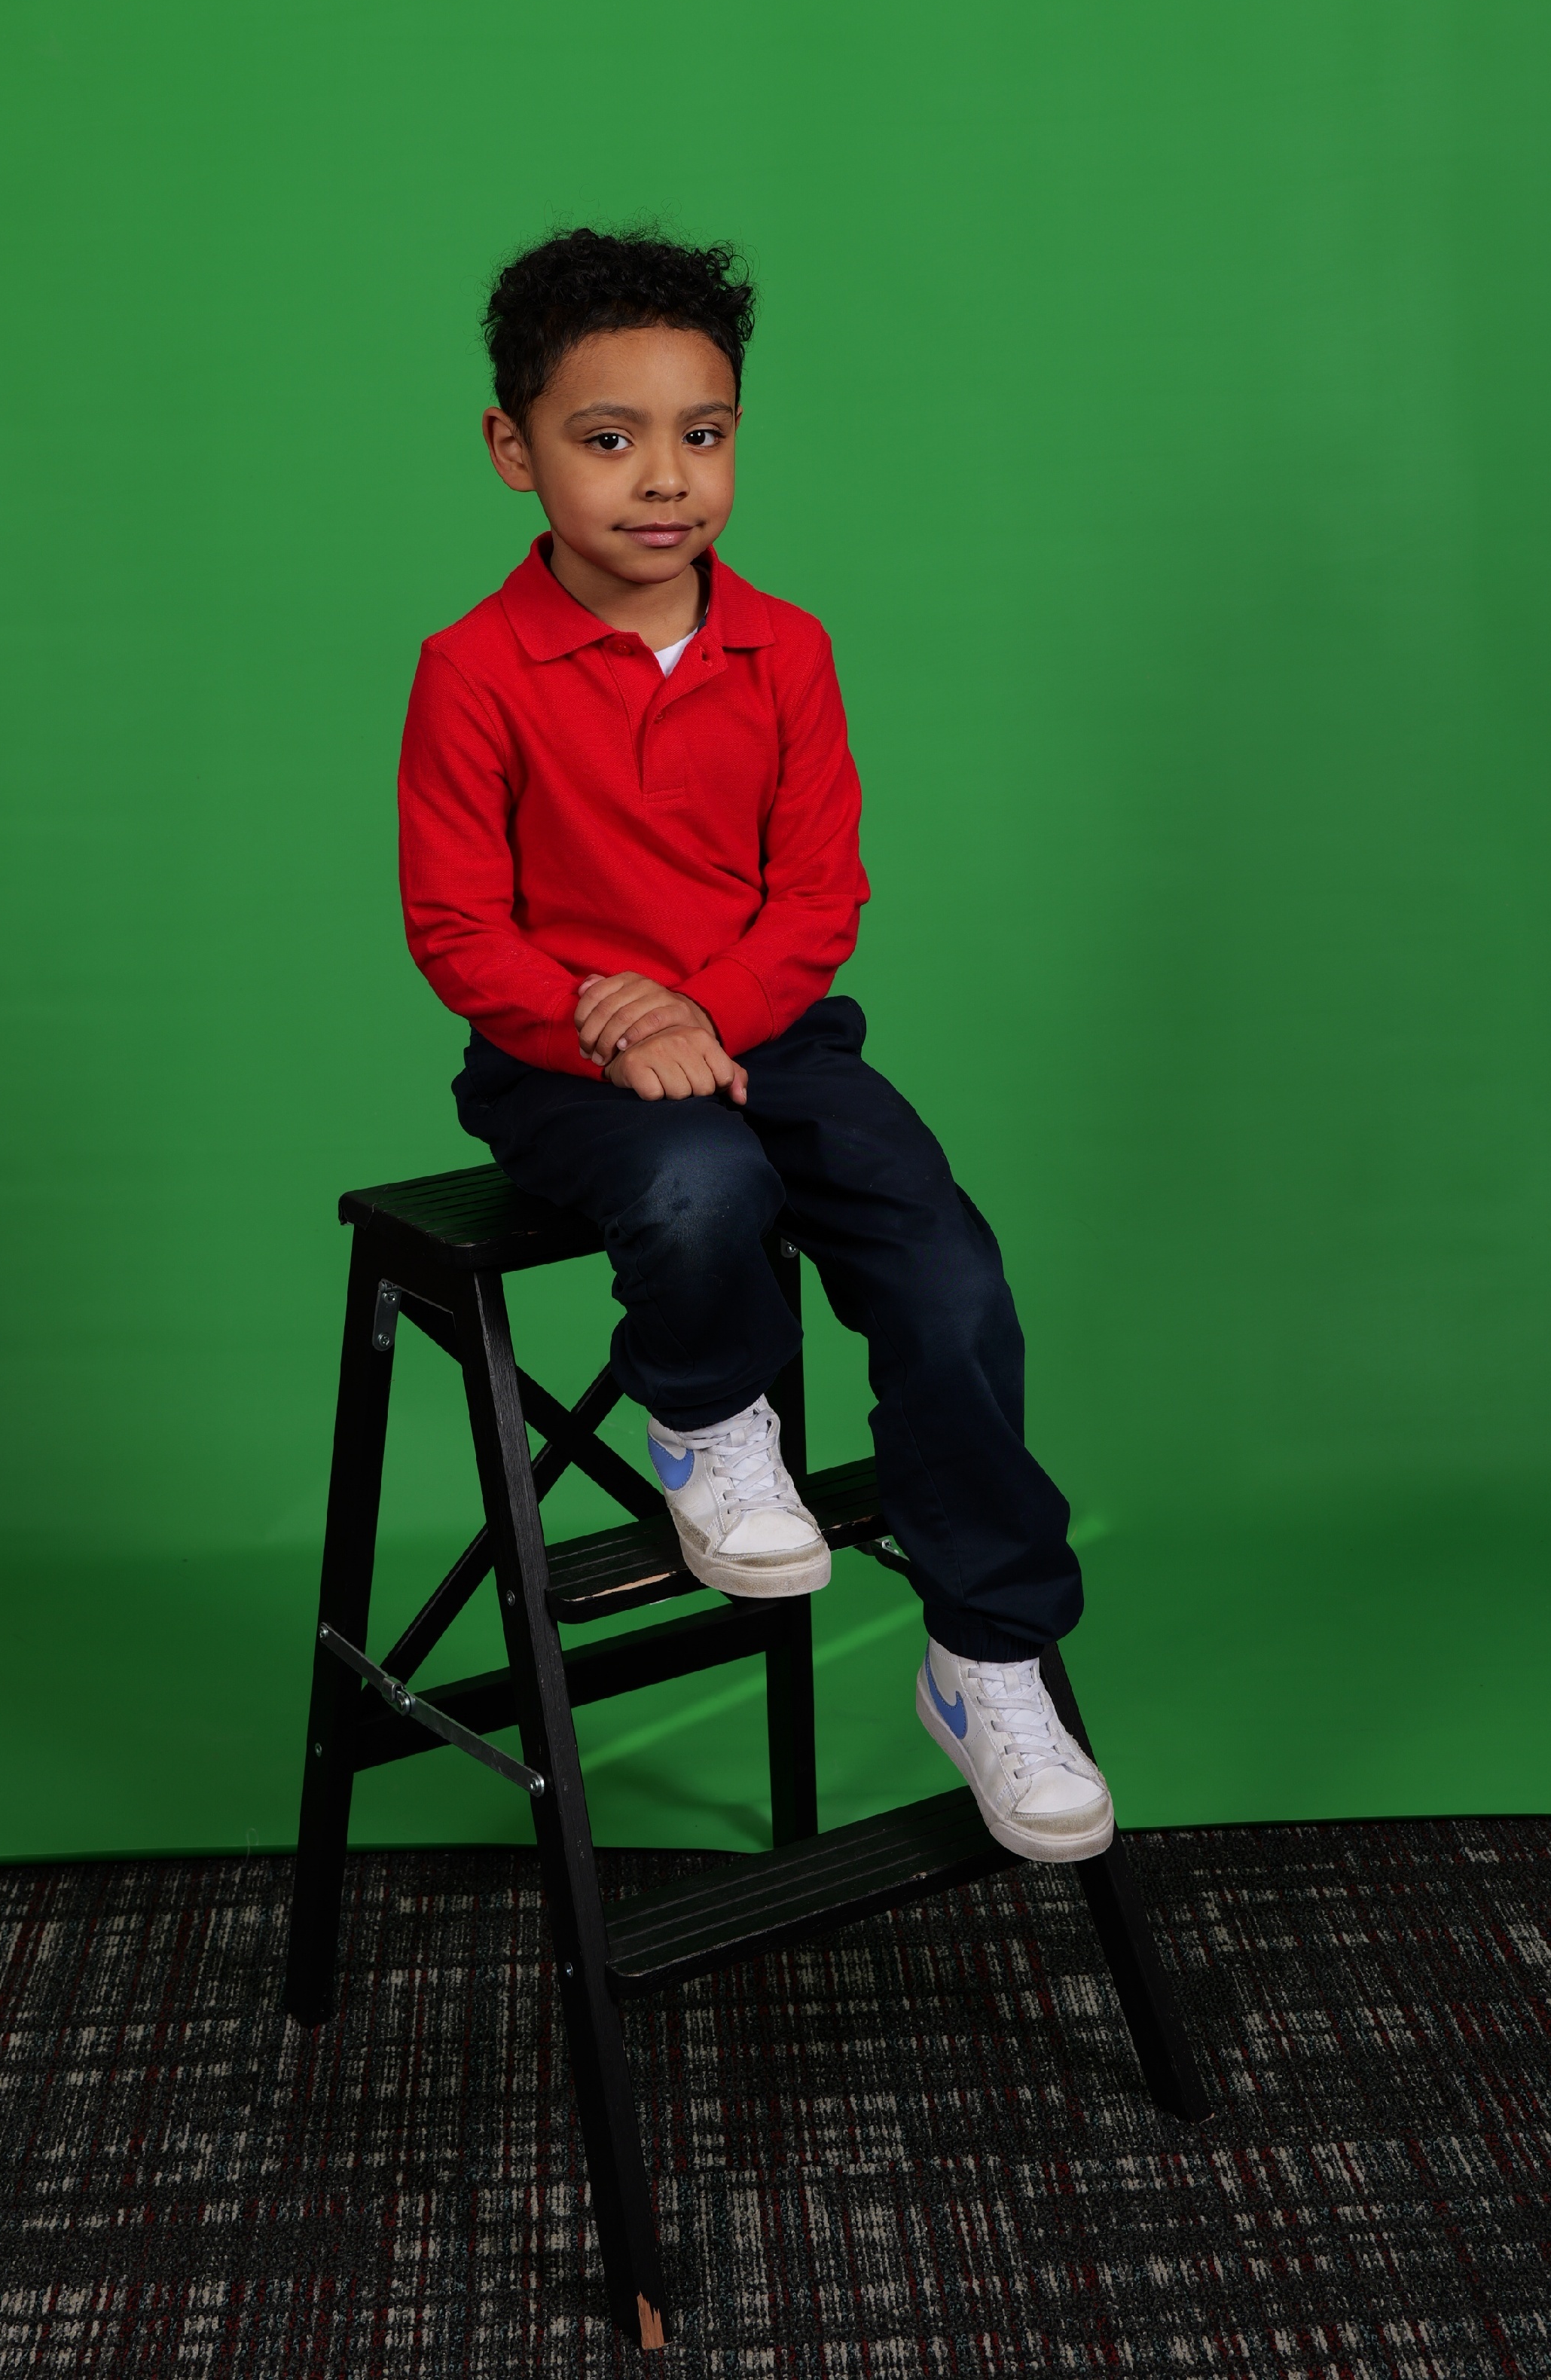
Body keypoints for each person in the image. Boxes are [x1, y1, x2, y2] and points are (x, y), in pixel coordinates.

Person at [396, 227, 1113, 1862]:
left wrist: (702, 1013)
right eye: (608, 437)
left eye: (702, 433)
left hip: (775, 1034)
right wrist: (605, 1021)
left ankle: (985, 1656)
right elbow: (459, 930)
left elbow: (819, 897)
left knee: (950, 1273)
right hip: (561, 1065)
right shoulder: (473, 672)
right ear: (514, 449)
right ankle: (710, 1419)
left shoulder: (787, 650)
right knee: (699, 1181)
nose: (665, 478)